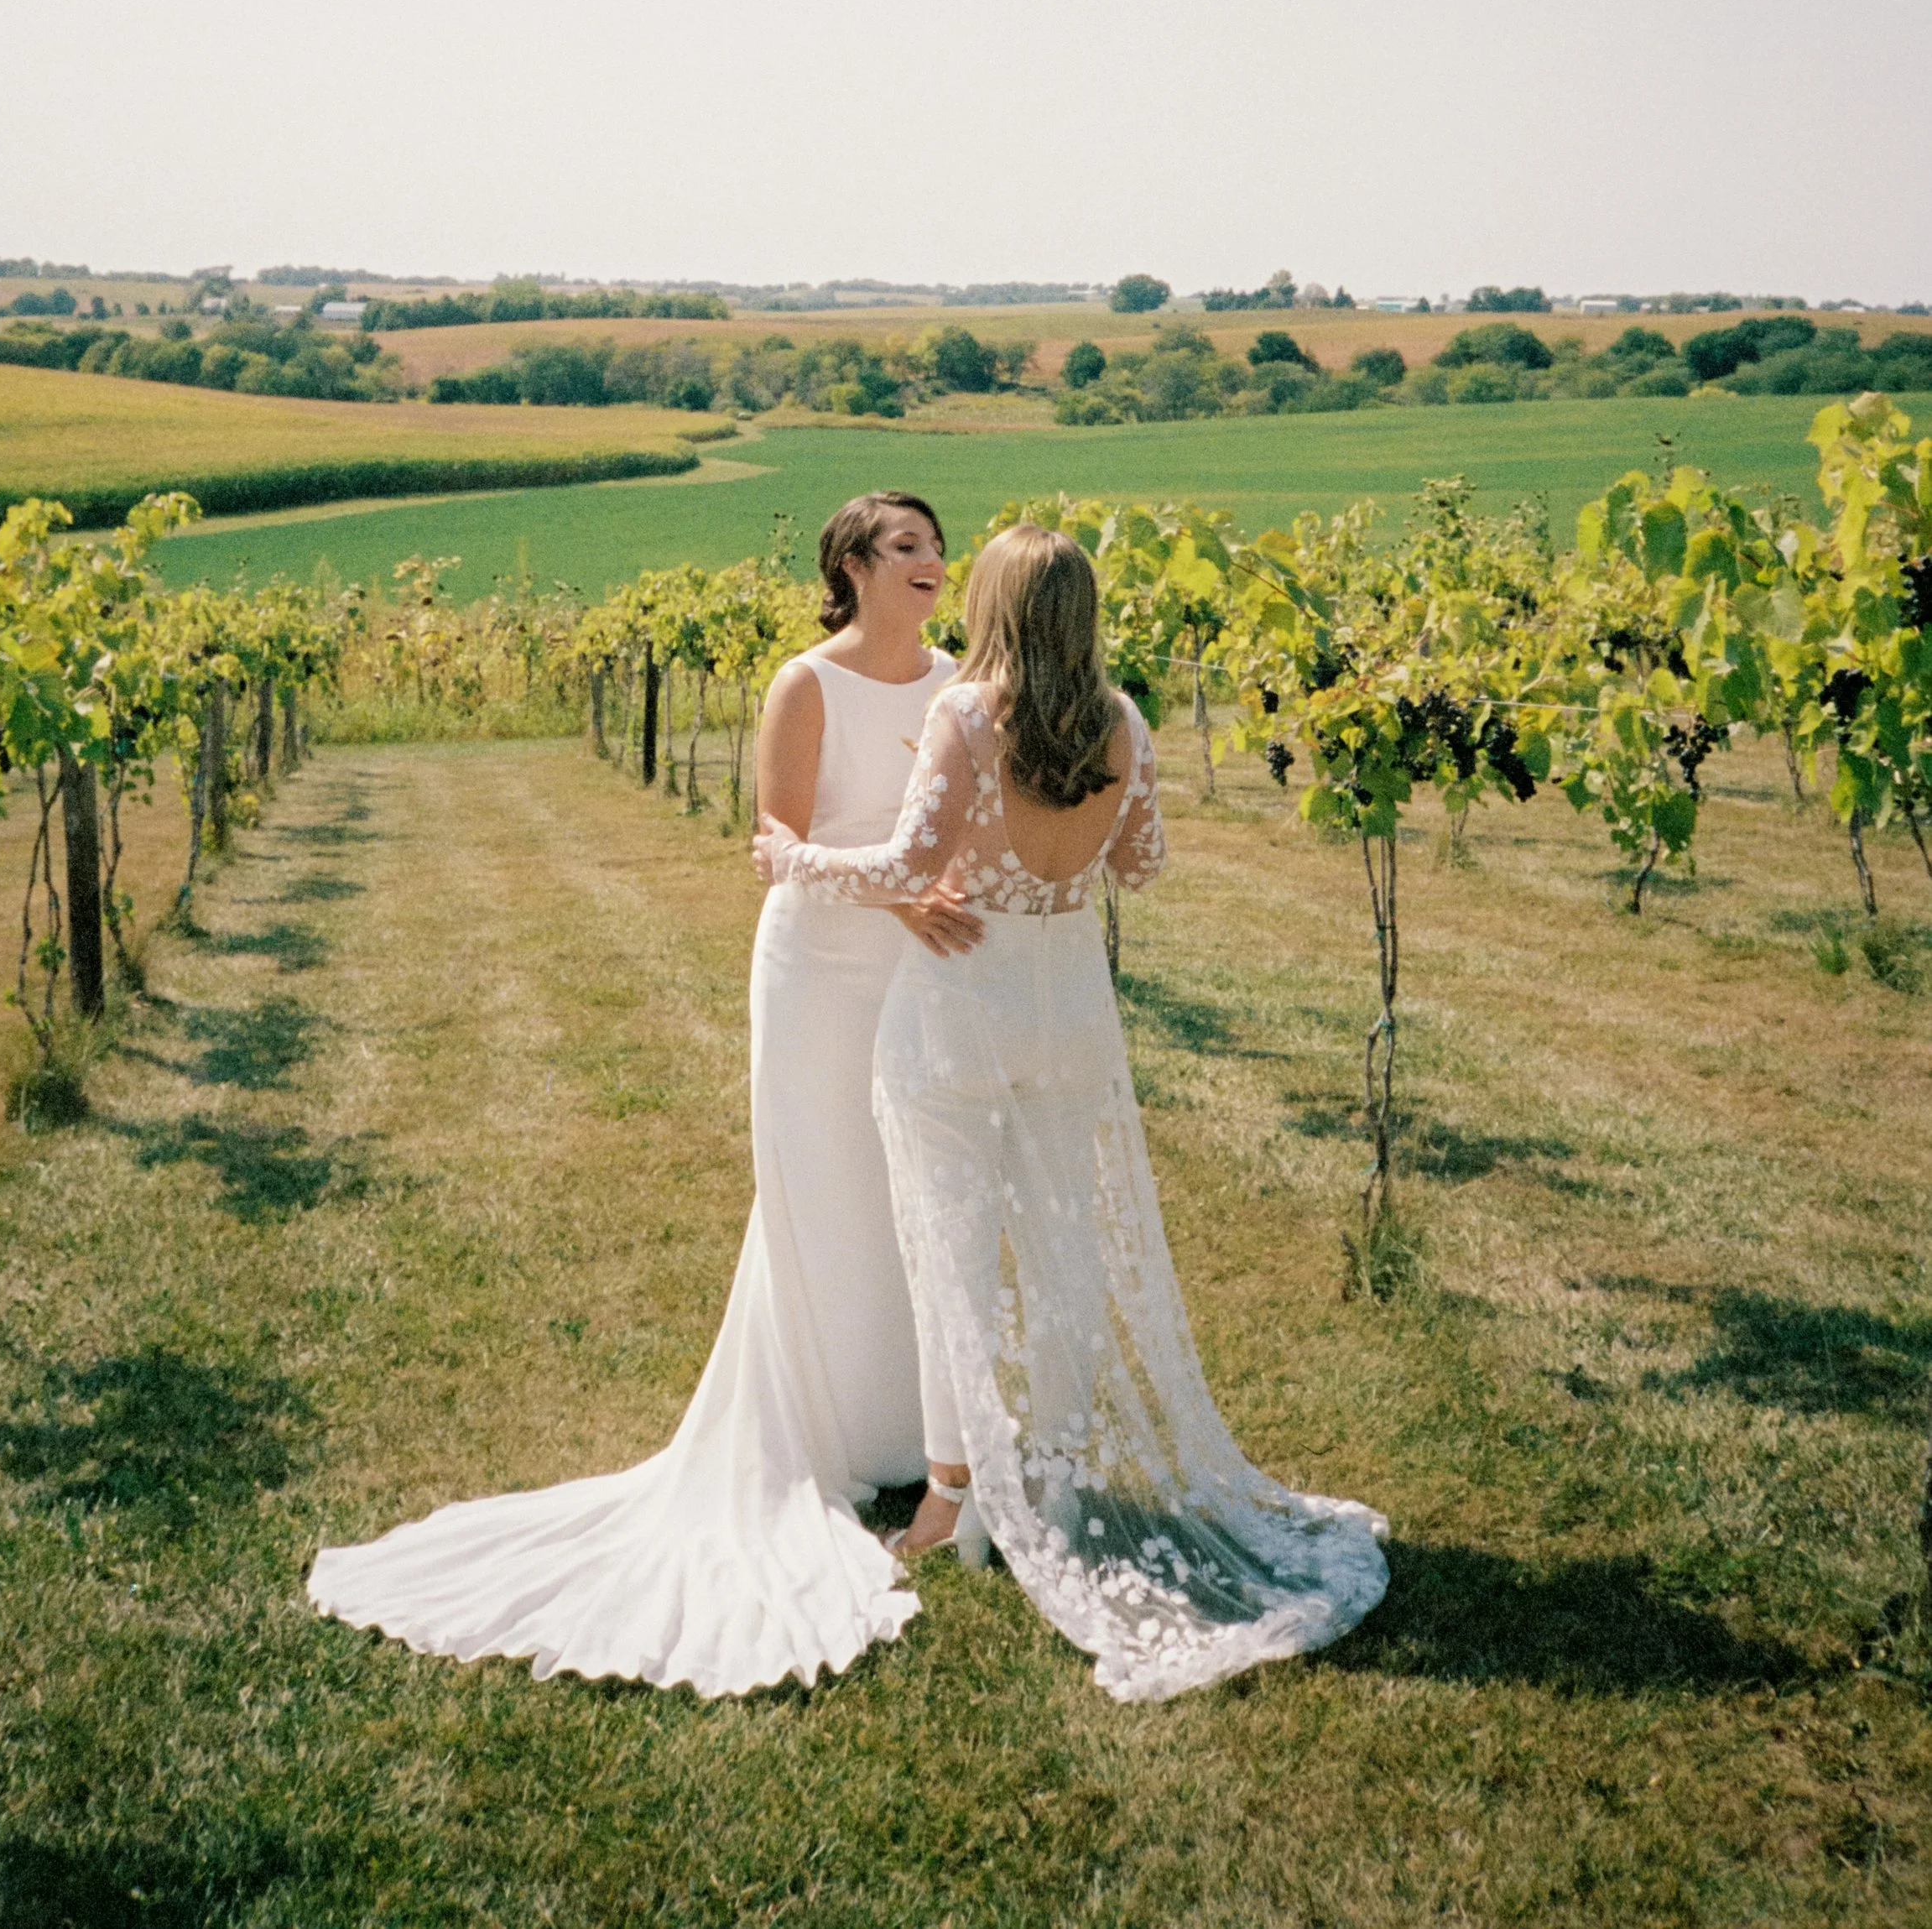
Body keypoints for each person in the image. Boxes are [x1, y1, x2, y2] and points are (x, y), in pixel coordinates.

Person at [309, 491, 974, 1696]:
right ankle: (823, 1427)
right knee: (820, 1178)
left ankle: (909, 1429)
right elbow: (774, 840)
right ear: (854, 567)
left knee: (905, 1186)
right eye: (909, 546)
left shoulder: (957, 684)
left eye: (937, 543)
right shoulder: (804, 682)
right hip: (821, 964)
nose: (935, 561)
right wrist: (901, 896)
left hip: (920, 972)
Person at [755, 520, 1391, 1702]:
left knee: (946, 1246)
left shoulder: (966, 715)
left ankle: (954, 1494)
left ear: (993, 601)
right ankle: (1044, 1472)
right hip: (1069, 1011)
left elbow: (905, 862)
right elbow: (1140, 865)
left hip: (956, 1011)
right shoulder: (1127, 721)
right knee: (1058, 1245)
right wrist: (1070, 855)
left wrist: (794, 860)